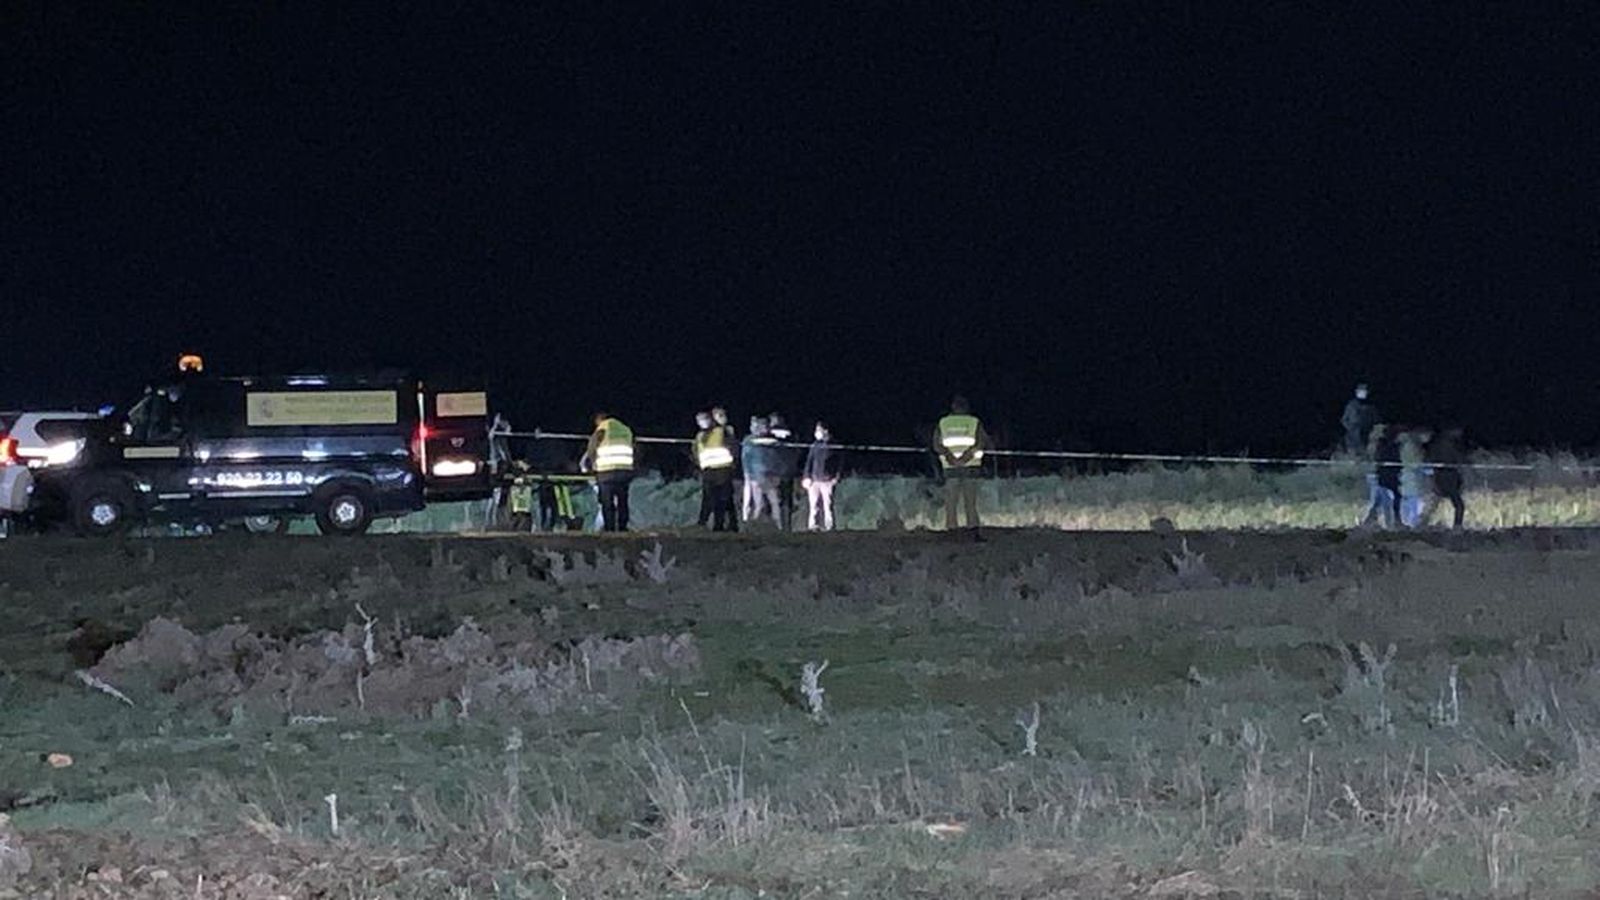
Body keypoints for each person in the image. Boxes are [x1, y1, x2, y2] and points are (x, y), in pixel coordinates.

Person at [935, 396, 989, 533]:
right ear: (967, 407)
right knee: (970, 502)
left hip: (950, 467)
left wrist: (950, 456)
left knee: (951, 501)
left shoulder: (943, 422)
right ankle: (973, 529)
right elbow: (981, 442)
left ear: (953, 406)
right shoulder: (974, 422)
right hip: (971, 466)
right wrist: (966, 457)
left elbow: (937, 444)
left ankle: (952, 529)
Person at [580, 412, 636, 532]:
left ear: (599, 420)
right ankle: (622, 527)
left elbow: (592, 448)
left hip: (606, 472)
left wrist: (591, 464)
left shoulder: (603, 429)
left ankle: (609, 528)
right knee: (622, 501)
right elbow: (634, 447)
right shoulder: (626, 430)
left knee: (607, 502)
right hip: (624, 471)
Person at [693, 411, 737, 531]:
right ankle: (709, 523)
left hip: (723, 470)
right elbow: (696, 452)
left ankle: (720, 525)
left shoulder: (721, 431)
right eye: (700, 420)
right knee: (711, 498)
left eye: (705, 419)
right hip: (708, 471)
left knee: (722, 499)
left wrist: (733, 465)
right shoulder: (700, 436)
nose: (703, 422)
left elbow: (733, 446)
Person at [741, 417, 782, 526]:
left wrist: (778, 473)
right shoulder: (749, 441)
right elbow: (746, 459)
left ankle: (778, 525)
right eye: (762, 426)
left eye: (765, 426)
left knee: (774, 502)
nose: (764, 429)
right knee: (759, 503)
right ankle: (753, 524)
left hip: (770, 476)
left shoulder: (773, 441)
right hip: (756, 476)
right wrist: (749, 474)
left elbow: (777, 459)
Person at [803, 422, 841, 531]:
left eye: (819, 430)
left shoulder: (834, 445)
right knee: (813, 506)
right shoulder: (815, 445)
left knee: (828, 505)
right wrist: (806, 476)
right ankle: (813, 526)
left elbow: (839, 463)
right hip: (814, 481)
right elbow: (809, 462)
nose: (817, 432)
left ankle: (829, 526)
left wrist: (836, 477)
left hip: (827, 480)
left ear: (825, 431)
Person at [1427, 427, 1468, 530]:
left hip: (1442, 476)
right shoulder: (1448, 445)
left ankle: (1424, 522)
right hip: (1448, 477)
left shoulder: (1437, 445)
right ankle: (1457, 526)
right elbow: (1457, 459)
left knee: (1437, 501)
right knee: (1459, 505)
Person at [1360, 425, 1399, 528]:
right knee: (1385, 501)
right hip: (1380, 477)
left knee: (1377, 501)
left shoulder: (1376, 445)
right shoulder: (1381, 446)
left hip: (1377, 476)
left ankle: (1367, 522)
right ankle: (1389, 525)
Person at [768, 412, 801, 530]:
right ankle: (786, 526)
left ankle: (779, 526)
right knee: (786, 501)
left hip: (775, 472)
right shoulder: (791, 434)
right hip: (787, 471)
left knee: (776, 501)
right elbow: (797, 452)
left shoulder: (768, 435)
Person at [711, 406, 739, 530]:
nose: (723, 418)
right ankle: (722, 524)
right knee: (719, 498)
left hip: (726, 468)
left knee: (726, 498)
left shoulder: (728, 430)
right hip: (714, 468)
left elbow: (733, 446)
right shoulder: (712, 431)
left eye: (724, 415)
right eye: (720, 415)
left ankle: (728, 524)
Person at [1397, 428, 1432, 528]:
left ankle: (1408, 522)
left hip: (1407, 478)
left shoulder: (1406, 445)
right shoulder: (1411, 446)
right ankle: (1413, 523)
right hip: (1411, 479)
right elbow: (1415, 463)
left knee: (1408, 500)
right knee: (1413, 502)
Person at [1341, 384, 1380, 456]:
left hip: (1366, 437)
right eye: (1361, 391)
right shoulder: (1351, 405)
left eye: (1364, 392)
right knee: (1353, 457)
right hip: (1352, 438)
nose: (1363, 393)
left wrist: (1370, 430)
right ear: (1356, 392)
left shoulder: (1370, 407)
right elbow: (1344, 420)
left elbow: (1376, 421)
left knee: (1365, 456)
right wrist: (1351, 429)